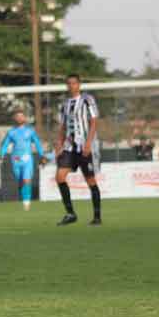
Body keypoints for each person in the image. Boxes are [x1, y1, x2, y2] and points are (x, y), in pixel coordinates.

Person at [55, 74, 101, 226]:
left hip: (84, 145)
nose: (71, 86)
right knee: (60, 176)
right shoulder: (65, 104)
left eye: (74, 83)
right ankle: (70, 213)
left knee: (90, 180)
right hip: (69, 146)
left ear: (79, 84)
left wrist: (89, 143)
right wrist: (59, 145)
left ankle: (97, 217)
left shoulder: (88, 99)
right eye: (68, 83)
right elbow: (62, 126)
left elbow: (94, 121)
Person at [0, 110, 43, 211]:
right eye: (17, 116)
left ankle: (26, 203)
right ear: (15, 119)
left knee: (26, 180)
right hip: (15, 159)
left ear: (24, 118)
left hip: (27, 159)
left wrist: (41, 155)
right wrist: (1, 155)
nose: (19, 118)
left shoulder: (30, 131)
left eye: (21, 116)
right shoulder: (11, 132)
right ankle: (24, 197)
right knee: (20, 181)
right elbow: (5, 145)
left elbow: (37, 143)